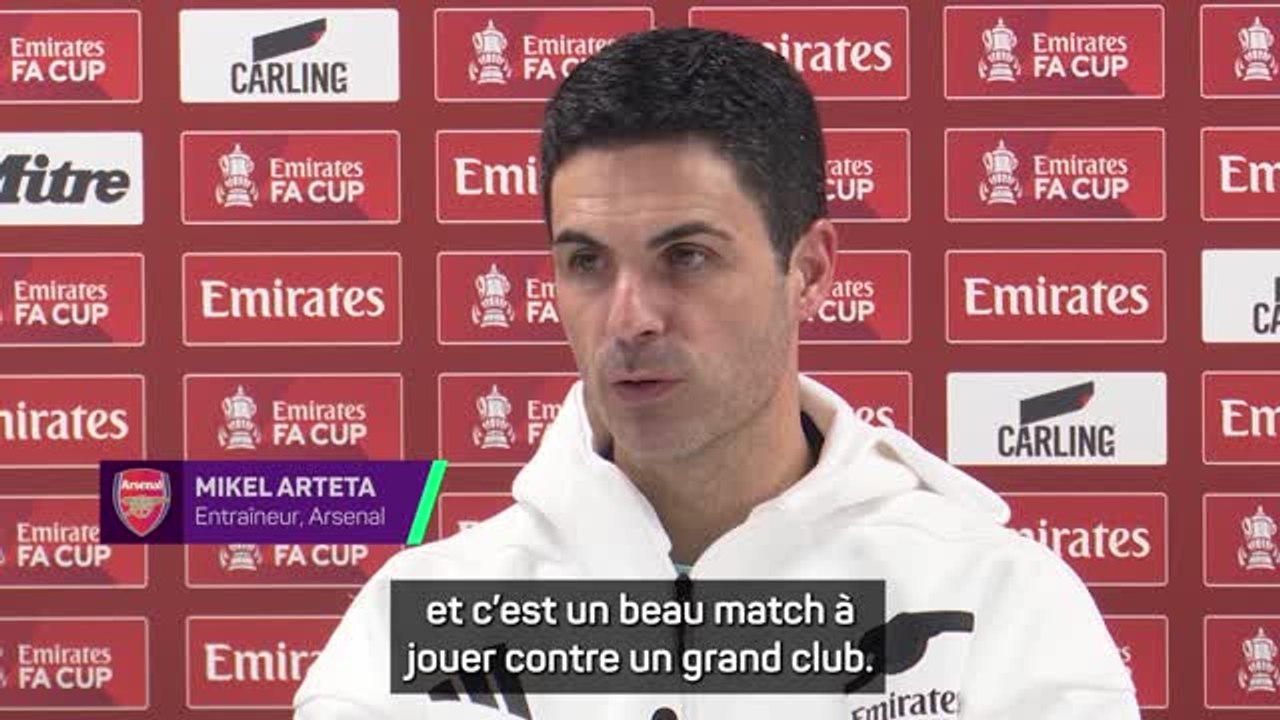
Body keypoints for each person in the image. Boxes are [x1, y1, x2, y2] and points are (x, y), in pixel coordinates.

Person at [294, 27, 1139, 719]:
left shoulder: (996, 605)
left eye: (687, 256)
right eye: (586, 262)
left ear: (809, 269)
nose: (629, 318)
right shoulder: (417, 619)